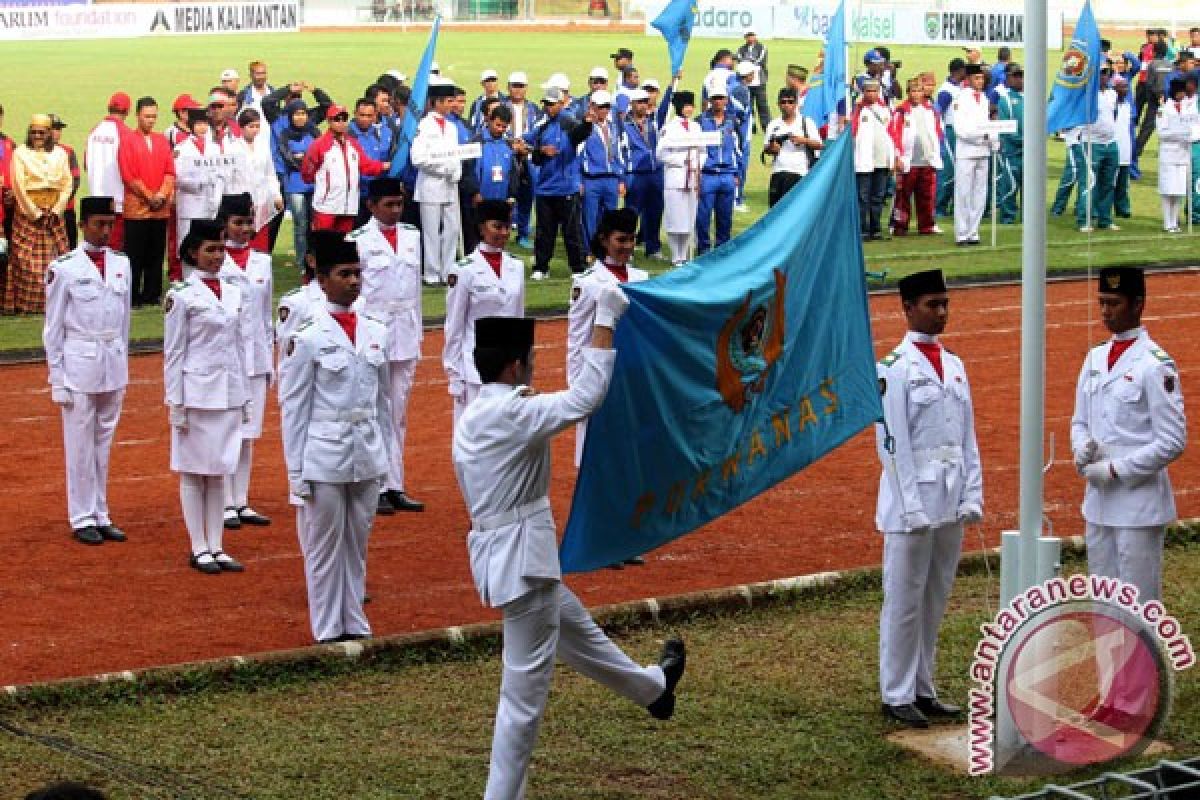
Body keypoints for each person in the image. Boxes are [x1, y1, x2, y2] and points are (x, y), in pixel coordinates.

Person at [452, 309, 685, 800]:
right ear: (515, 366)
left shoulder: (479, 412)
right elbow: (587, 397)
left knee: (579, 635)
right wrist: (604, 317)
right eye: (532, 359)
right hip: (525, 565)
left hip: (511, 560)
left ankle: (655, 690)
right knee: (521, 702)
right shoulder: (515, 413)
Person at [875, 268, 983, 729]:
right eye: (932, 304)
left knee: (935, 598)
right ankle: (895, 692)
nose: (941, 312)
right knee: (903, 598)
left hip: (950, 495)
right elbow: (891, 443)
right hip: (911, 500)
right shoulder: (893, 368)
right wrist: (911, 505)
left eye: (945, 304)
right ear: (908, 308)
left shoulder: (954, 364)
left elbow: (968, 436)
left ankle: (924, 686)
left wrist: (972, 492)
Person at [280, 231, 393, 643]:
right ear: (323, 279)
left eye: (357, 273)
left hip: (366, 451)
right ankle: (327, 629)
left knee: (357, 544)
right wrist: (296, 474)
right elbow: (293, 409)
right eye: (345, 274)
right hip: (324, 454)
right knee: (325, 548)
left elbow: (383, 405)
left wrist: (387, 462)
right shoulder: (306, 335)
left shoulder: (375, 329)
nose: (354, 281)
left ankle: (355, 622)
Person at [1070, 267, 1186, 605]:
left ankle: (1142, 661)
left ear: (1137, 304)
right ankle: (1110, 662)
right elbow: (1079, 420)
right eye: (1102, 302)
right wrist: (1080, 447)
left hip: (1138, 501)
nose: (1105, 311)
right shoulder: (1094, 358)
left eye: (1113, 303)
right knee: (1103, 604)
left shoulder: (1155, 364)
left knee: (1138, 604)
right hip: (1098, 501)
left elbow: (1172, 440)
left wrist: (1115, 469)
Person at [43, 196, 131, 546]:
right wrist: (57, 377)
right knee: (79, 443)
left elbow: (124, 321)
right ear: (83, 225)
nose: (106, 230)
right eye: (99, 224)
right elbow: (53, 328)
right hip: (79, 362)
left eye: (110, 224)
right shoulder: (64, 268)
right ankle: (81, 515)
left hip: (111, 361)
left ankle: (101, 511)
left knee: (103, 443)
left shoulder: (121, 263)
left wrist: (123, 363)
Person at [164, 219, 249, 575]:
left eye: (220, 249)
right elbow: (174, 352)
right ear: (192, 253)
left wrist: (244, 397)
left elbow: (239, 347)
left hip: (227, 392)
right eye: (210, 250)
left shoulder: (233, 291)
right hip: (196, 392)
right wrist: (176, 403)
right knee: (193, 471)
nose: (217, 256)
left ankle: (217, 545)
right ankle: (198, 546)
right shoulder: (181, 295)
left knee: (218, 471)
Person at [349, 177, 426, 515]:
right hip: (373, 335)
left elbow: (415, 292)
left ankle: (394, 483)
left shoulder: (412, 235)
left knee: (397, 412)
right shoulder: (358, 241)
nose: (395, 210)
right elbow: (353, 295)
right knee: (372, 410)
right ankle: (374, 483)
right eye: (388, 205)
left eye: (399, 204)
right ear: (371, 206)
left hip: (405, 332)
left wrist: (419, 333)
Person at [567, 207, 647, 467]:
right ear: (604, 240)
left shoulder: (642, 278)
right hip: (599, 373)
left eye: (631, 239)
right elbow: (577, 336)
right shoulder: (587, 282)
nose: (627, 246)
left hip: (631, 372)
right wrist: (577, 386)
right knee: (594, 453)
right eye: (620, 240)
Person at [214, 193, 273, 530]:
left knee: (248, 434)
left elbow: (265, 318)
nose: (245, 229)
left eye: (249, 222)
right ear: (224, 226)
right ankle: (222, 502)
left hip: (256, 357)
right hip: (228, 360)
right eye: (238, 223)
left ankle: (241, 500)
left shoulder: (262, 263)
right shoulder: (215, 264)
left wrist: (269, 362)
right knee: (227, 431)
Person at [444, 199, 526, 422]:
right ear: (481, 227)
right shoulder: (464, 269)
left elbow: (519, 317)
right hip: (475, 365)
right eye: (497, 226)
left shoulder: (516, 266)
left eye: (507, 227)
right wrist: (454, 374)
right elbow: (454, 324)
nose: (503, 233)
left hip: (508, 365)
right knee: (474, 432)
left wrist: (523, 367)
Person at [6, 115, 73, 314]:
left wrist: (56, 209)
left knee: (59, 259)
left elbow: (67, 183)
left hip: (53, 214)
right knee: (26, 262)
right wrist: (34, 213)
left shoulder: (60, 154)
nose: (37, 136)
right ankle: (28, 305)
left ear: (49, 134)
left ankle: (56, 303)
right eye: (34, 132)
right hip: (29, 214)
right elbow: (18, 185)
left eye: (42, 133)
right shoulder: (20, 153)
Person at [526, 86, 593, 280]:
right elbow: (530, 148)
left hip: (566, 188)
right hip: (545, 188)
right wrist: (539, 151)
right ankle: (541, 267)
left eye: (552, 104)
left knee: (571, 231)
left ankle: (578, 268)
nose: (548, 108)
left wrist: (588, 124)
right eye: (546, 104)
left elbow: (580, 133)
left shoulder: (568, 122)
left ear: (562, 103)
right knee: (544, 232)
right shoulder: (543, 126)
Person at [117, 96, 175, 307]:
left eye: (154, 116)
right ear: (138, 116)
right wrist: (150, 196)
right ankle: (132, 295)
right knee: (134, 254)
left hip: (159, 208)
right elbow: (128, 175)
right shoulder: (128, 140)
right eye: (147, 116)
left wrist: (161, 194)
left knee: (156, 254)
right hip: (137, 208)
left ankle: (152, 292)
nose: (151, 120)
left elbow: (170, 171)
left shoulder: (161, 140)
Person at [302, 104, 386, 234]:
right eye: (337, 119)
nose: (341, 122)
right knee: (322, 245)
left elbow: (365, 165)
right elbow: (307, 173)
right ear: (329, 121)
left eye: (344, 118)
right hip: (326, 207)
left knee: (343, 247)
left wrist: (384, 166)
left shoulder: (352, 143)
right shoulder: (319, 145)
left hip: (349, 207)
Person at [411, 82, 462, 286]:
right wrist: (444, 169)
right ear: (437, 102)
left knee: (452, 229)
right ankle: (431, 272)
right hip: (430, 185)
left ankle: (447, 270)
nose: (452, 105)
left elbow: (455, 154)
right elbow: (418, 158)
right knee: (431, 231)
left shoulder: (451, 127)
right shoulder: (423, 126)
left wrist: (456, 170)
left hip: (450, 186)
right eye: (449, 101)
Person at [887, 79, 942, 236]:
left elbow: (937, 132)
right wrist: (897, 156)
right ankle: (900, 225)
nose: (916, 94)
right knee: (903, 195)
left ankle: (926, 225)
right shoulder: (901, 111)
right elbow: (894, 134)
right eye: (913, 91)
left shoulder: (930, 110)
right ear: (908, 92)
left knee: (926, 195)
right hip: (908, 161)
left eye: (919, 90)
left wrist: (935, 153)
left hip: (927, 159)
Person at [657, 90, 704, 265]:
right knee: (675, 216)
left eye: (691, 106)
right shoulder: (669, 128)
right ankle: (676, 253)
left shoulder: (696, 127)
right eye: (686, 106)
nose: (689, 110)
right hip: (675, 178)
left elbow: (703, 151)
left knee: (689, 216)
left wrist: (697, 164)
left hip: (692, 178)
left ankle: (684, 253)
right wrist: (680, 161)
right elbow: (660, 153)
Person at [695, 79, 740, 255]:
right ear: (709, 100)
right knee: (703, 216)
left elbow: (738, 148)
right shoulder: (700, 121)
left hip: (727, 174)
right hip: (708, 174)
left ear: (727, 99)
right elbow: (697, 150)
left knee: (725, 216)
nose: (718, 102)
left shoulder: (732, 121)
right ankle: (704, 249)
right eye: (714, 98)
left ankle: (722, 250)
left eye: (721, 98)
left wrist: (737, 173)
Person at [578, 90, 627, 253]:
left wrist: (621, 179)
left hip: (611, 179)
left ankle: (608, 250)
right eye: (601, 107)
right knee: (589, 218)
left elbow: (619, 152)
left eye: (607, 107)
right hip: (592, 179)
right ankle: (590, 251)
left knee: (611, 218)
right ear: (592, 107)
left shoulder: (612, 127)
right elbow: (578, 155)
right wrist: (579, 181)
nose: (604, 111)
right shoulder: (585, 128)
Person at [172, 109, 221, 270]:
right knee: (189, 247)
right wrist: (199, 183)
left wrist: (217, 196)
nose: (202, 128)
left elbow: (220, 173)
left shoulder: (214, 148)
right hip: (190, 205)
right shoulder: (182, 148)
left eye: (205, 124)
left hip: (210, 205)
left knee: (208, 246)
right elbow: (177, 177)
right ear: (191, 125)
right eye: (199, 124)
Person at [274, 99, 320, 267]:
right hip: (295, 184)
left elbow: (321, 153)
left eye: (303, 114)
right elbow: (287, 157)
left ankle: (314, 258)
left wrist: (303, 157)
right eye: (297, 114)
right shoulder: (285, 134)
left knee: (315, 224)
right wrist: (305, 160)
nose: (300, 118)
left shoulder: (313, 131)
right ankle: (302, 262)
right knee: (300, 224)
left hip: (314, 184)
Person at [951, 64, 993, 246]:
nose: (980, 82)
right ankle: (961, 232)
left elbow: (987, 124)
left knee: (980, 193)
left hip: (983, 152)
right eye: (977, 78)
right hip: (967, 152)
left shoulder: (984, 98)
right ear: (968, 80)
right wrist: (981, 137)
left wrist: (992, 139)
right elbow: (961, 129)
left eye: (982, 78)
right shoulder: (960, 99)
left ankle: (973, 231)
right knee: (963, 193)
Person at [621, 88, 665, 259]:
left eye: (645, 102)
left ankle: (653, 247)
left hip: (655, 173)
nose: (643, 105)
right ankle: (627, 248)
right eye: (639, 102)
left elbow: (665, 107)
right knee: (632, 213)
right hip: (636, 174)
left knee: (655, 211)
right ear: (632, 104)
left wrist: (672, 84)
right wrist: (624, 177)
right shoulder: (624, 125)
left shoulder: (653, 122)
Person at [1077, 71, 1122, 233]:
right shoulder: (1087, 94)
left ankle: (1105, 219)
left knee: (1109, 183)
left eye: (1106, 74)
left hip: (1110, 142)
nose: (1103, 77)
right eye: (1101, 73)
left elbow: (1114, 114)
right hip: (1092, 142)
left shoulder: (1112, 94)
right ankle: (1084, 219)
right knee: (1089, 182)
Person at [84, 92, 131, 249]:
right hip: (117, 201)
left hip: (95, 198)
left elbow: (86, 163)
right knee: (114, 248)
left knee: (96, 246)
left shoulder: (94, 131)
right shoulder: (125, 133)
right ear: (127, 111)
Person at [763, 87, 821, 208]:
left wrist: (803, 140)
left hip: (800, 173)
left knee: (798, 210)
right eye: (783, 102)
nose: (787, 105)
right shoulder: (773, 125)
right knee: (776, 211)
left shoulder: (806, 122)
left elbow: (819, 145)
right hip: (779, 173)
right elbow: (766, 149)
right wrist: (772, 148)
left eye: (790, 102)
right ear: (778, 104)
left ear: (796, 104)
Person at [236, 108, 284, 253]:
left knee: (261, 242)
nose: (255, 130)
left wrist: (277, 195)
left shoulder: (263, 146)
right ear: (242, 127)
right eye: (251, 126)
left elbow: (270, 173)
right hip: (242, 201)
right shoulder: (233, 147)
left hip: (262, 200)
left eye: (257, 126)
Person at [852, 79, 894, 241]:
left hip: (882, 160)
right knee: (863, 197)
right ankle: (862, 229)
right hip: (863, 161)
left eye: (874, 91)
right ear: (863, 92)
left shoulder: (885, 110)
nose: (872, 94)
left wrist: (892, 158)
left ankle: (876, 229)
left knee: (878, 197)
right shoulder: (858, 109)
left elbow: (891, 134)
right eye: (868, 91)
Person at [502, 71, 539, 248]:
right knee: (505, 195)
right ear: (508, 87)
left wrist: (526, 147)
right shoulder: (501, 107)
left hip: (528, 157)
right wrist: (511, 144)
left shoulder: (534, 109)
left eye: (521, 86)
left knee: (527, 195)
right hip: (506, 156)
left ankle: (523, 232)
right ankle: (502, 231)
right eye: (514, 85)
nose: (517, 89)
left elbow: (540, 134)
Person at [1155, 79, 1195, 233]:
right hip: (1169, 153)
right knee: (1167, 189)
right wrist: (1179, 134)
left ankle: (1174, 221)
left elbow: (1192, 127)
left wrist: (1189, 135)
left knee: (1179, 190)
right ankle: (1167, 221)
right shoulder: (1164, 109)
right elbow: (1162, 133)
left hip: (1183, 154)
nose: (1182, 95)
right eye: (1180, 92)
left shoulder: (1187, 109)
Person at [934, 59, 965, 218]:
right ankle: (939, 206)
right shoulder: (946, 91)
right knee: (948, 170)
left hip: (959, 131)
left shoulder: (959, 87)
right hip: (949, 131)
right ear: (958, 71)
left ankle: (952, 204)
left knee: (958, 170)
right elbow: (937, 112)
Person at [995, 65, 1024, 225]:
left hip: (1030, 152)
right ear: (1008, 78)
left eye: (1021, 76)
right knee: (1010, 185)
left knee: (1030, 187)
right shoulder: (1005, 99)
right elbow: (1005, 127)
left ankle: (1029, 217)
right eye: (1016, 76)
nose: (1020, 79)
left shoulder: (1033, 97)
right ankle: (1008, 217)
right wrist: (1024, 140)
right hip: (1012, 151)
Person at [48, 115, 80, 250]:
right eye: (54, 129)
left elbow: (75, 180)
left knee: (70, 249)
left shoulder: (68, 151)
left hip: (66, 209)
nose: (57, 132)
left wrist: (61, 202)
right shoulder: (34, 153)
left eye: (59, 129)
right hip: (45, 210)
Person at [737, 29, 771, 133]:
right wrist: (748, 62)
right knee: (748, 105)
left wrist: (747, 61)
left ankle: (767, 127)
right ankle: (751, 127)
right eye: (748, 35)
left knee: (762, 105)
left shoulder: (762, 48)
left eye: (752, 35)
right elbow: (739, 59)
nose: (750, 37)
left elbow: (760, 60)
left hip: (759, 81)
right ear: (745, 37)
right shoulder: (741, 49)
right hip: (746, 82)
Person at [1112, 76, 1134, 220]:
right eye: (1122, 87)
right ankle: (1103, 209)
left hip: (1125, 148)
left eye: (1126, 87)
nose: (1125, 90)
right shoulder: (1110, 104)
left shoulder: (1127, 105)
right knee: (1109, 183)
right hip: (1112, 147)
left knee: (1123, 183)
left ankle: (1122, 208)